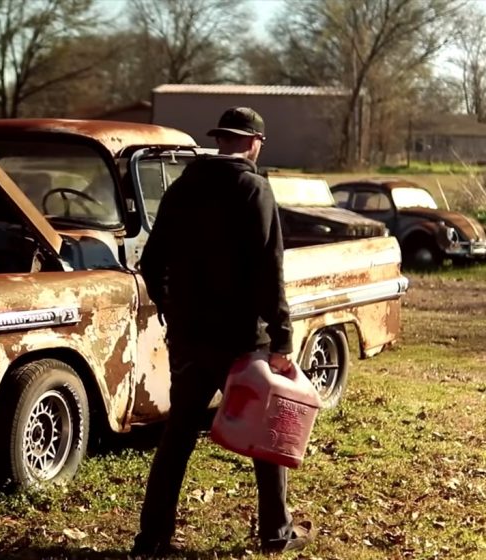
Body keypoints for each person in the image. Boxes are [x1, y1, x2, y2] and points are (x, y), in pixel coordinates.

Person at [132, 107, 311, 556]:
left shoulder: (184, 185)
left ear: (221, 140)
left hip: (190, 338)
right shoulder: (254, 189)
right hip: (243, 341)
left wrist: (174, 310)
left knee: (177, 437)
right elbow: (271, 271)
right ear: (255, 143)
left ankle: (151, 538)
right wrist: (283, 339)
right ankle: (275, 533)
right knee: (267, 437)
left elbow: (150, 263)